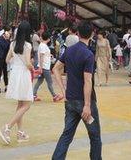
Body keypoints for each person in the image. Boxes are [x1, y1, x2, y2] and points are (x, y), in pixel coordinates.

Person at [52, 21, 102, 160]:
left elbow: (55, 69)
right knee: (95, 137)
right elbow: (88, 81)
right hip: (84, 102)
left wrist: (63, 90)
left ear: (78, 33)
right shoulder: (88, 55)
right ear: (92, 34)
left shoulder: (69, 50)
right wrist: (87, 105)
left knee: (67, 135)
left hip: (70, 101)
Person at [0, 21, 35, 145]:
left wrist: (16, 61)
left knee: (21, 104)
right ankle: (7, 128)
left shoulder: (13, 43)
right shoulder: (28, 45)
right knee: (27, 104)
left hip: (15, 73)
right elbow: (28, 63)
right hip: (24, 74)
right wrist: (34, 69)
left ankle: (20, 133)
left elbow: (7, 59)